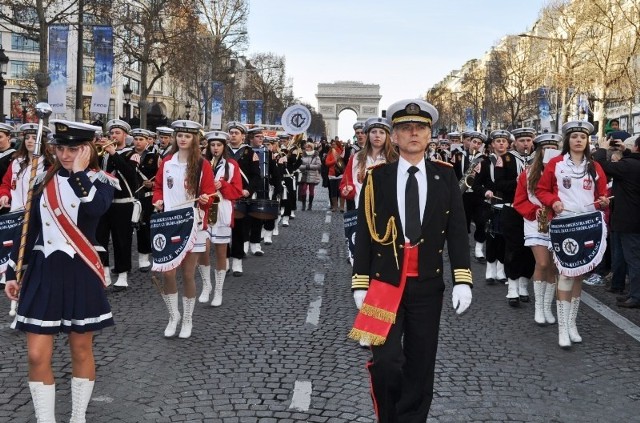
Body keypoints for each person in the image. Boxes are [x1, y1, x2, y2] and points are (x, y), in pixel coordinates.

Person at [349, 99, 472, 422]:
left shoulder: (445, 176)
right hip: (383, 283)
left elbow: (457, 231)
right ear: (395, 136)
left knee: (420, 364)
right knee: (386, 361)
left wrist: (462, 278)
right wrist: (359, 280)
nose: (413, 133)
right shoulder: (377, 177)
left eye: (420, 128)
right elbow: (364, 231)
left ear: (430, 135)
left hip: (427, 285)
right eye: (405, 128)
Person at [4, 120, 118, 422]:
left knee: (81, 350)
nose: (66, 155)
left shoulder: (102, 181)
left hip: (80, 270)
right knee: (36, 355)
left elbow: (94, 210)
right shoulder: (42, 179)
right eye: (61, 148)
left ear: (88, 148)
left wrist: (80, 172)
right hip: (44, 272)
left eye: (74, 149)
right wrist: (12, 272)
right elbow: (27, 230)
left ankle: (77, 417)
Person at [536, 121, 609, 348]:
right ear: (568, 140)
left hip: (588, 224)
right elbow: (541, 190)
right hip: (564, 224)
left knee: (579, 275)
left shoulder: (595, 167)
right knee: (566, 273)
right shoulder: (556, 164)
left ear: (587, 142)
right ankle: (562, 330)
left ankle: (571, 323)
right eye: (574, 136)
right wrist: (553, 202)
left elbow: (603, 193)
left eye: (583, 137)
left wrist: (604, 202)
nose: (578, 140)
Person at [152, 120, 215, 338]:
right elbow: (159, 187)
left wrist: (206, 199)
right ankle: (173, 316)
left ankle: (187, 319)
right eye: (179, 135)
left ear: (194, 139)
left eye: (187, 136)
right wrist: (158, 200)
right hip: (169, 223)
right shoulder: (167, 162)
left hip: (193, 223)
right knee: (168, 273)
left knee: (188, 274)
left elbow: (209, 194)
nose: (182, 139)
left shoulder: (202, 164)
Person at [513, 133, 562, 325]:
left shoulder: (563, 172)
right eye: (546, 149)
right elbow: (519, 201)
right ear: (539, 151)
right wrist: (535, 212)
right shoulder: (528, 173)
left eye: (553, 148)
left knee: (553, 266)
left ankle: (547, 306)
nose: (549, 152)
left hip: (558, 222)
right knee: (542, 263)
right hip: (536, 222)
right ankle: (539, 308)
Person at [593, 134, 640, 308]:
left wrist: (603, 148)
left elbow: (601, 166)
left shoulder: (629, 165)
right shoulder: (632, 163)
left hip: (629, 220)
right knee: (633, 259)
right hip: (632, 220)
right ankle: (633, 292)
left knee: (634, 260)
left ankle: (636, 296)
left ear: (636, 147)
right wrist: (625, 150)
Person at [494, 127, 536, 306]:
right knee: (513, 248)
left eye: (528, 140)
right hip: (512, 209)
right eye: (522, 141)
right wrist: (520, 180)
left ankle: (524, 286)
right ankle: (512, 288)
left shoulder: (539, 160)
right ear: (515, 142)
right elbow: (499, 184)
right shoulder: (506, 159)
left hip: (534, 211)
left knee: (531, 250)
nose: (525, 144)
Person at [201, 130, 243, 306]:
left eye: (219, 145)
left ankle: (218, 291)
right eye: (212, 145)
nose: (215, 148)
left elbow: (237, 191)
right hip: (203, 210)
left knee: (220, 252)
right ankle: (206, 285)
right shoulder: (201, 163)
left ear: (224, 147)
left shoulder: (232, 165)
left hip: (222, 211)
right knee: (202, 250)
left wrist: (223, 184)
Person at [97, 119, 138, 289]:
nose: (113, 136)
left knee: (122, 240)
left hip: (123, 202)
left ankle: (122, 274)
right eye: (112, 133)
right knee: (100, 238)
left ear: (125, 135)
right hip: (104, 202)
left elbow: (130, 176)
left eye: (117, 133)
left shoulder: (132, 154)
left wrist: (114, 154)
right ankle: (104, 272)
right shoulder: (103, 154)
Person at [472, 130, 510, 285]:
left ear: (508, 144)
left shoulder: (512, 161)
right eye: (498, 141)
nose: (501, 143)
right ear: (492, 144)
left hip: (508, 204)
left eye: (504, 141)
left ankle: (501, 271)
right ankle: (490, 270)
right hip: (489, 204)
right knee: (491, 237)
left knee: (504, 239)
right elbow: (475, 184)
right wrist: (485, 191)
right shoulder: (485, 162)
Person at [226, 121, 260, 276]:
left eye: (236, 133)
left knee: (239, 230)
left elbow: (255, 176)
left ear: (243, 136)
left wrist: (248, 190)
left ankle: (237, 262)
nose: (233, 135)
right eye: (231, 132)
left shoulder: (249, 152)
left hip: (241, 196)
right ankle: (224, 261)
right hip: (223, 196)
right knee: (223, 230)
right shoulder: (222, 150)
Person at [298, 142, 322, 210]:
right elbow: (299, 165)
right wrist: (305, 167)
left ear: (311, 148)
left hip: (312, 175)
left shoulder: (316, 156)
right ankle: (303, 204)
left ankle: (310, 204)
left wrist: (309, 166)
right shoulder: (302, 155)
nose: (307, 148)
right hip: (304, 174)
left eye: (308, 147)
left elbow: (318, 165)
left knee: (311, 190)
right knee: (303, 189)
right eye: (306, 147)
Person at [324, 139, 345, 212]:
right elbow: (327, 163)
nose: (333, 145)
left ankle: (342, 207)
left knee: (341, 191)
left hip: (340, 174)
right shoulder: (330, 153)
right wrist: (334, 161)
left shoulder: (342, 152)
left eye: (334, 144)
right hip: (332, 174)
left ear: (338, 145)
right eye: (332, 144)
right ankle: (335, 206)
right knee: (333, 191)